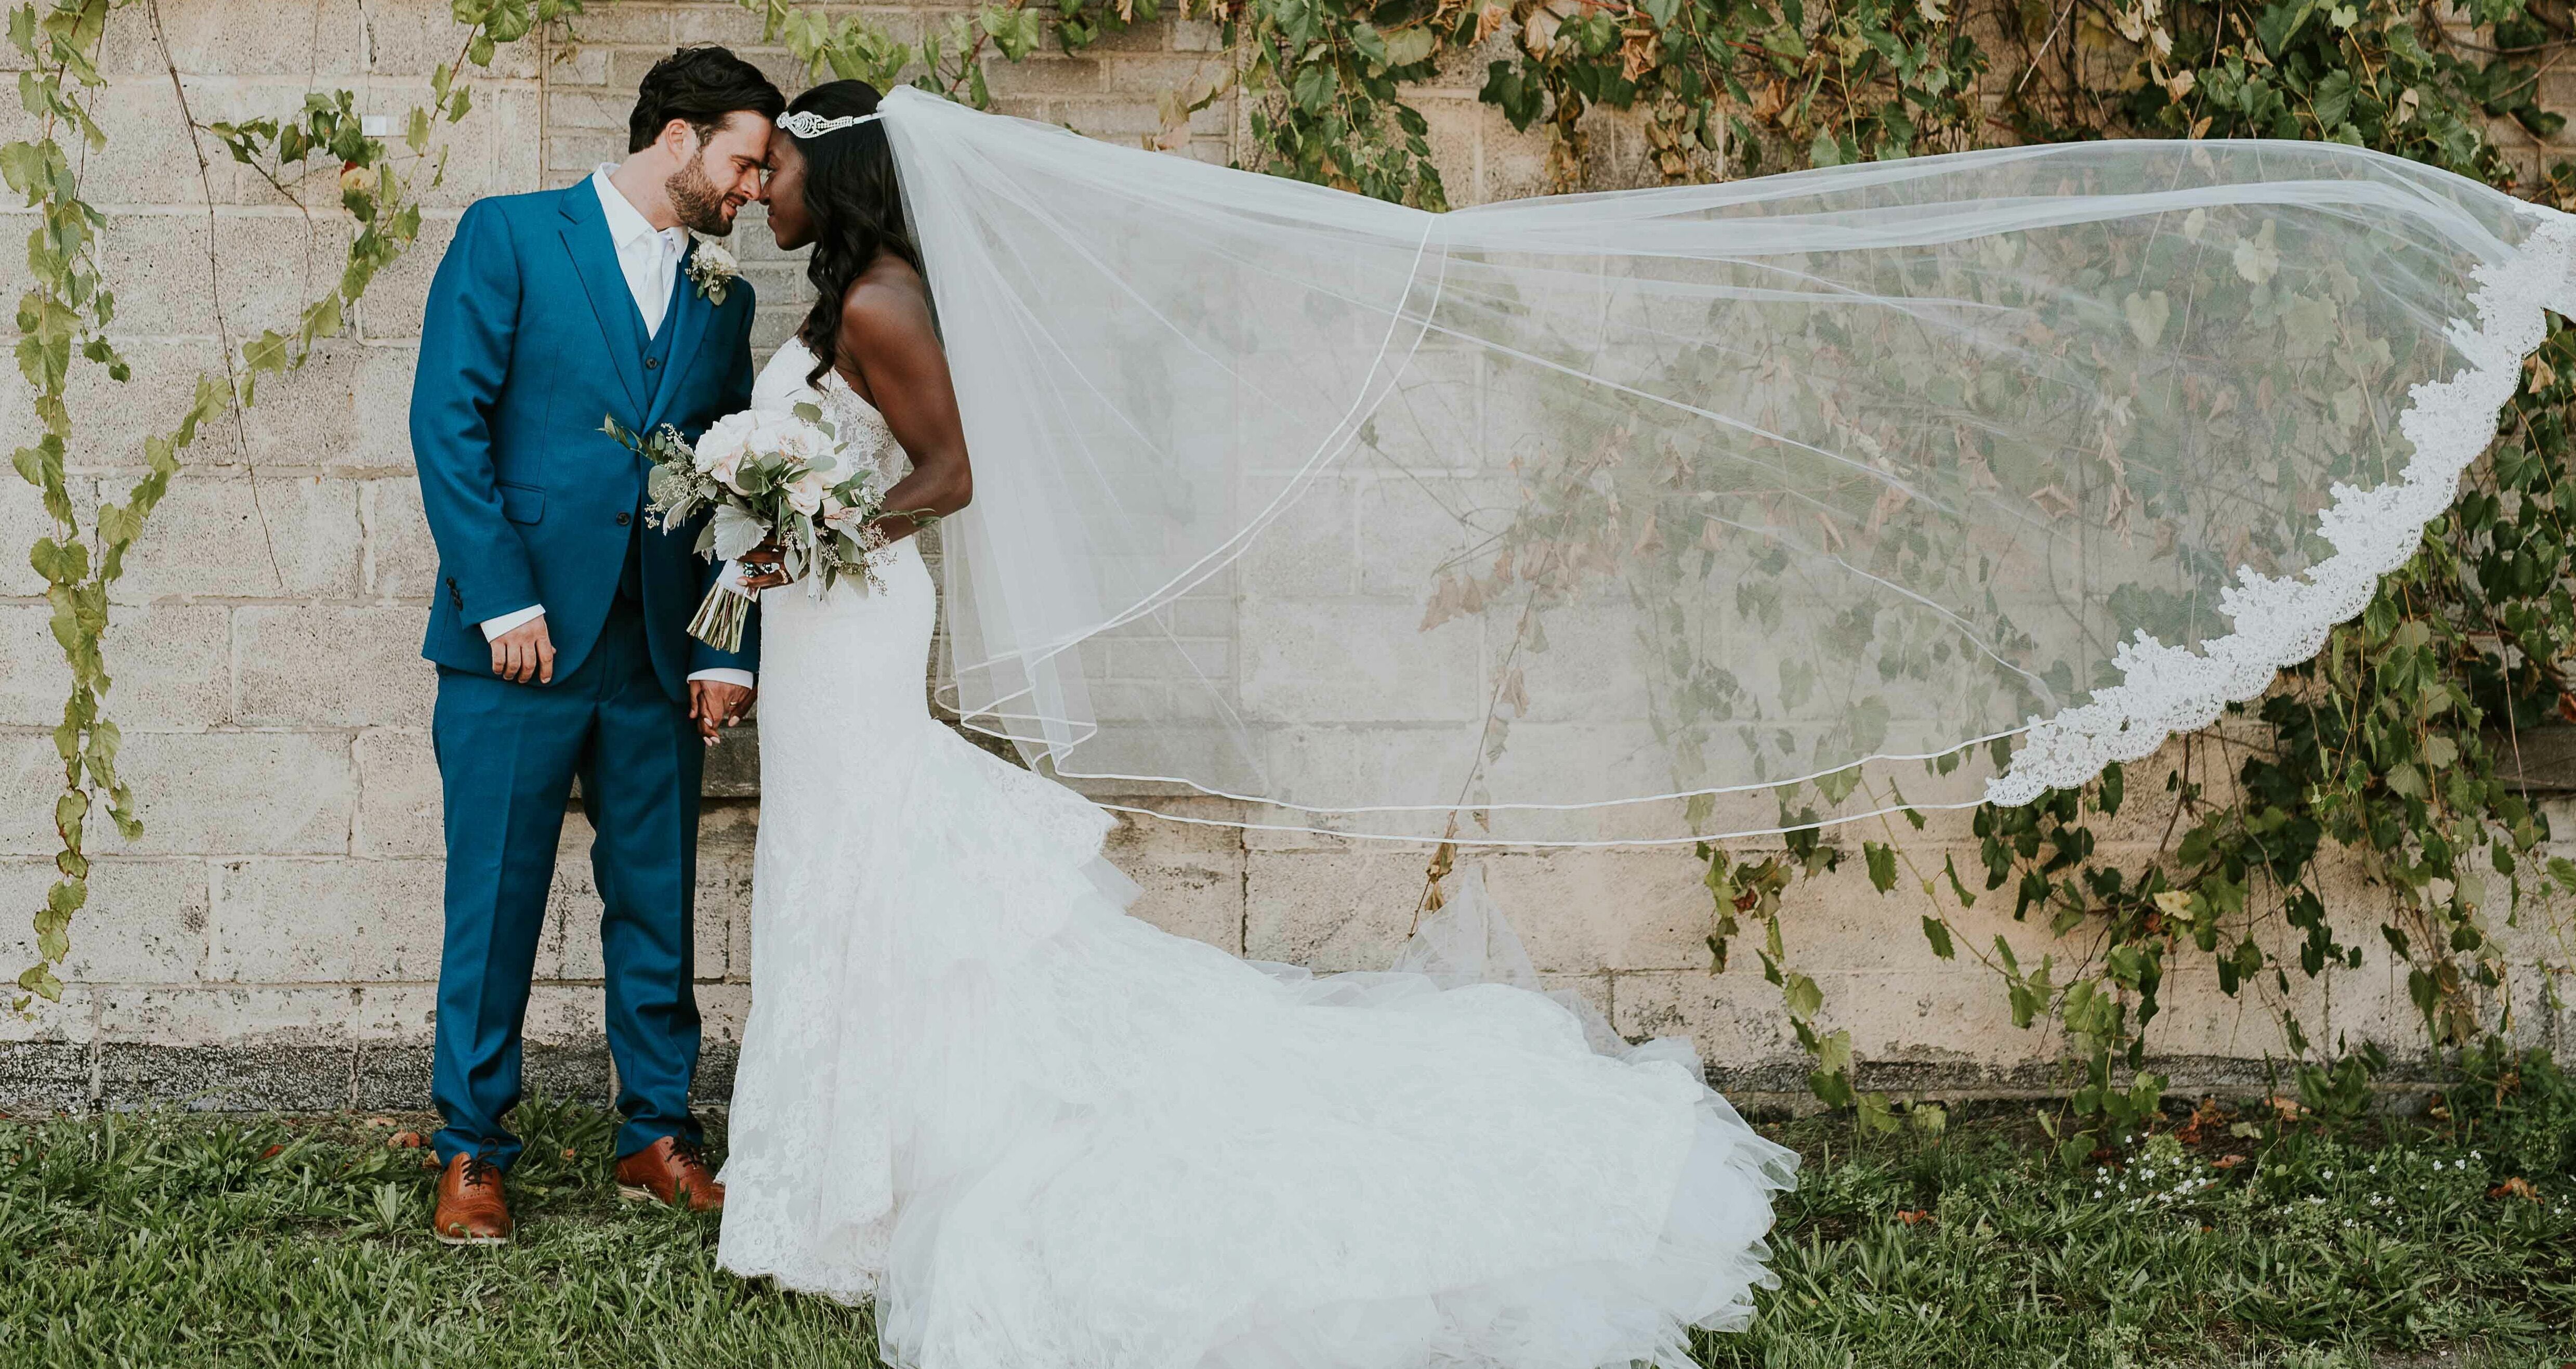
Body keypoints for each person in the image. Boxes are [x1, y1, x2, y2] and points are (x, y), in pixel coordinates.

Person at [713, 79, 1798, 1369]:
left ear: (832, 175)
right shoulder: (845, 300)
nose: (757, 189)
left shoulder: (882, 303)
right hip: (819, 620)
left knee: (866, 861)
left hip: (853, 614)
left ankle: (864, 1189)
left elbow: (951, 471)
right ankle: (837, 1182)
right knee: (837, 868)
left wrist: (828, 531)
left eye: (773, 168)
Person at [408, 45, 779, 1246]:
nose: (754, 189)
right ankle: (471, 1150)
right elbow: (447, 420)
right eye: (744, 159)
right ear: (678, 138)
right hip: (517, 650)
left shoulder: (727, 300)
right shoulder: (511, 236)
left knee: (657, 903)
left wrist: (727, 645)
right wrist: (502, 598)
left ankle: (657, 1137)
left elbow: (742, 478)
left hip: (657, 659)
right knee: (497, 905)